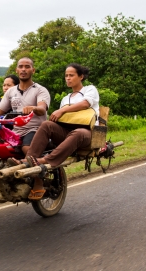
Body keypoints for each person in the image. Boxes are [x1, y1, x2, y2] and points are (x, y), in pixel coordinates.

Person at [12, 63, 100, 200]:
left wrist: (62, 110)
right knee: (47, 124)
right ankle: (29, 160)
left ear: (81, 76)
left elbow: (85, 104)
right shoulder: (66, 98)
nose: (68, 78)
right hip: (67, 131)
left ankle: (44, 160)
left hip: (87, 132)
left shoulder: (90, 89)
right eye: (66, 76)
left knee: (77, 133)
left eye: (71, 75)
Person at [0, 57, 51, 155]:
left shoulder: (40, 90)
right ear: (17, 70)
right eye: (20, 67)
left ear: (33, 70)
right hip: (16, 131)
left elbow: (42, 109)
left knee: (26, 148)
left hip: (35, 129)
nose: (23, 69)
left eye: (27, 67)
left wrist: (33, 108)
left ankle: (33, 165)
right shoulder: (11, 91)